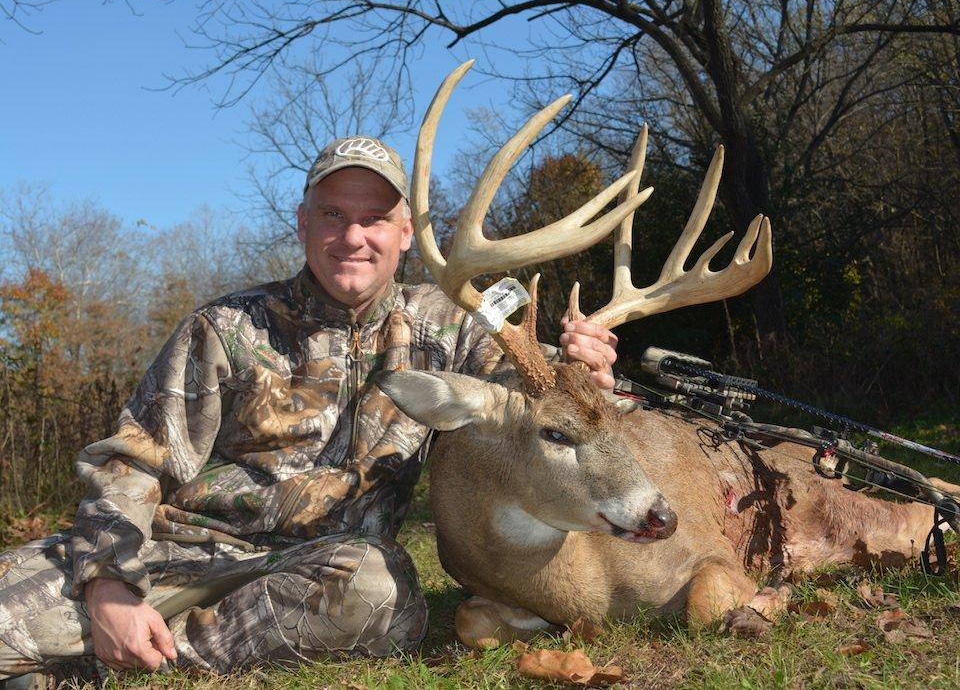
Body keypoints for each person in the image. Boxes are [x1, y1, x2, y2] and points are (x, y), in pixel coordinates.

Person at [0, 136, 618, 685]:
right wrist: (108, 583)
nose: (353, 237)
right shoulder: (226, 327)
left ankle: (102, 659)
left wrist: (584, 366)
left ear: (406, 233)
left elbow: (536, 399)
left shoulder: (451, 331)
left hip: (326, 573)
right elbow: (132, 463)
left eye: (375, 218)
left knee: (381, 591)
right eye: (332, 215)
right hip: (178, 552)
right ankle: (100, 636)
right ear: (302, 224)